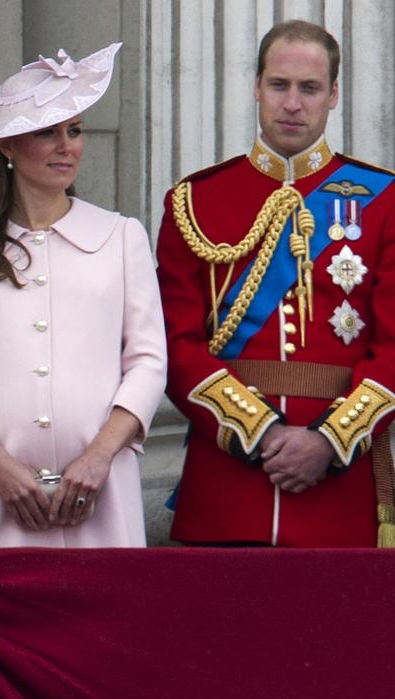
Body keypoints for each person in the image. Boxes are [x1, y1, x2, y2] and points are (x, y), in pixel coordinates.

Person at [157, 20, 395, 548]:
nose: (292, 103)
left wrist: (330, 442)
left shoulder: (384, 202)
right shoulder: (194, 201)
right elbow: (175, 345)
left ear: (333, 95)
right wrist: (259, 432)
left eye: (309, 88)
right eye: (279, 85)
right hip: (227, 490)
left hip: (338, 493)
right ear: (257, 87)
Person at [0, 43, 166, 548]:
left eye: (74, 131)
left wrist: (99, 457)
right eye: (47, 132)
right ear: (7, 147)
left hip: (103, 491)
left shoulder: (122, 236)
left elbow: (147, 362)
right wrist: (0, 467)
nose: (67, 146)